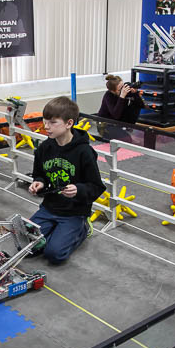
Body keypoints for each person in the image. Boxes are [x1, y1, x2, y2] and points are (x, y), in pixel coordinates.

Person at [28, 97, 105, 264]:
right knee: (26, 247)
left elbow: (96, 186)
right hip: (49, 209)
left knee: (54, 255)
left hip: (73, 213)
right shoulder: (44, 148)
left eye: (52, 122)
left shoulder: (84, 152)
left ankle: (83, 229)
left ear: (69, 123)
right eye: (44, 121)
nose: (46, 126)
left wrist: (79, 190)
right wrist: (39, 183)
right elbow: (39, 174)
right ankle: (57, 232)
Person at [97, 74, 145, 141]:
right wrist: (122, 96)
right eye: (120, 89)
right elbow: (115, 115)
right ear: (113, 91)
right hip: (106, 124)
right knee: (128, 140)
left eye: (123, 87)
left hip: (119, 121)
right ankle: (122, 133)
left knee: (134, 105)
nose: (123, 90)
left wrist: (135, 93)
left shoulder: (124, 91)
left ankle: (128, 128)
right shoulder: (108, 96)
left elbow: (141, 105)